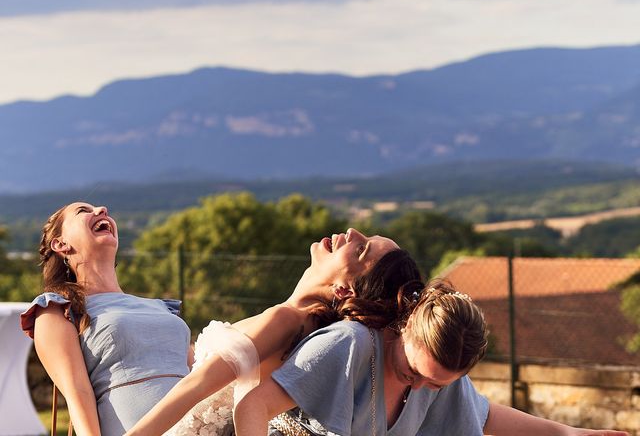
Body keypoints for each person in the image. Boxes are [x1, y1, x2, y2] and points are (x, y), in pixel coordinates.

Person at [234, 279, 630, 436]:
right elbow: (254, 405)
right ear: (405, 326)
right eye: (411, 372)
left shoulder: (439, 381)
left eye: (437, 385)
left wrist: (568, 433)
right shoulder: (348, 346)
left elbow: (485, 415)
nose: (421, 388)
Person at [126, 227, 418, 435]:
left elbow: (194, 388)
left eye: (360, 248)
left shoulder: (286, 321)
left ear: (344, 290)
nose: (352, 231)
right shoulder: (310, 329)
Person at [20, 202, 193, 436]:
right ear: (61, 244)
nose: (101, 210)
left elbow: (199, 374)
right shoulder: (56, 309)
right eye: (83, 211)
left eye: (101, 210)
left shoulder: (162, 308)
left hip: (200, 423)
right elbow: (78, 393)